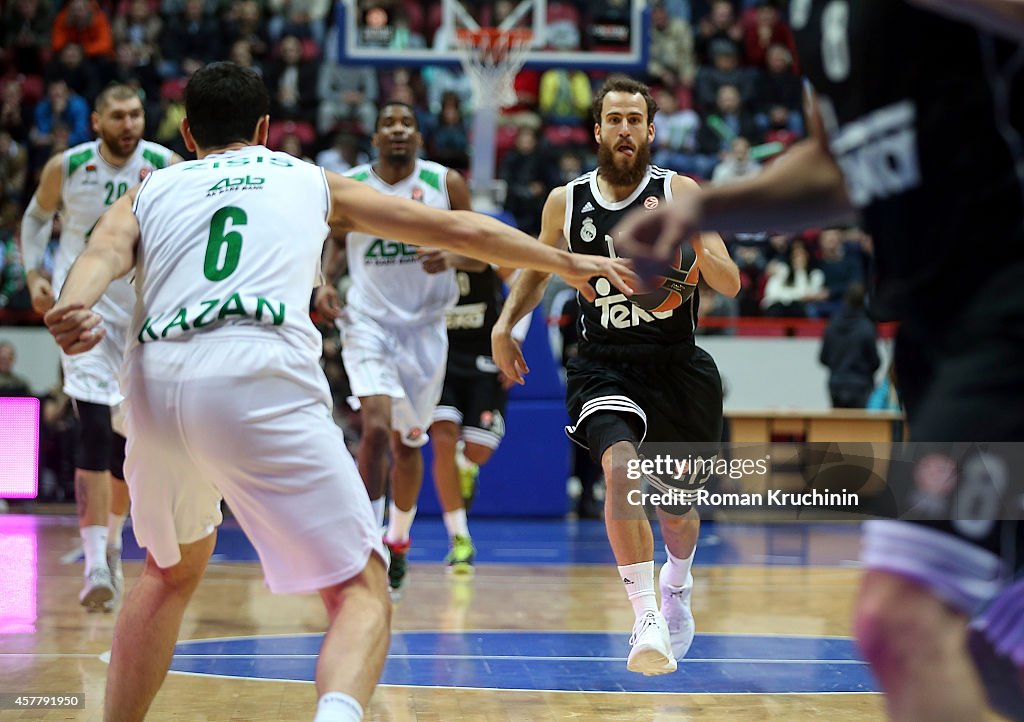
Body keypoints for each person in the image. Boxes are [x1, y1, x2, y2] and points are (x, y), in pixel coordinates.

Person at [43, 62, 634, 722]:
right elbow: (459, 229)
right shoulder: (306, 179)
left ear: (185, 134)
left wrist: (75, 304)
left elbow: (101, 250)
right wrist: (566, 261)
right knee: (360, 588)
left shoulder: (151, 189)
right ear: (266, 130)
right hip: (255, 368)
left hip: (156, 380)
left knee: (165, 573)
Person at [613, 3, 1024, 719]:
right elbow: (835, 167)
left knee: (902, 616)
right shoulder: (810, 16)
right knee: (996, 650)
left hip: (1007, 295)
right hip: (937, 321)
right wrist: (702, 210)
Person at [493, 76, 740, 676]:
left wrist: (699, 250)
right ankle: (645, 616)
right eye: (615, 120)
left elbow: (730, 283)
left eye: (636, 119)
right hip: (603, 363)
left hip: (676, 364)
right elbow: (537, 267)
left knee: (677, 512)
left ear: (651, 131)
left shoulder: (680, 190)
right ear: (598, 130)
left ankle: (677, 582)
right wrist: (505, 324)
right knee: (620, 468)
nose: (625, 129)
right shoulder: (565, 200)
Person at [314, 101, 487, 599]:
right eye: (387, 122)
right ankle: (368, 546)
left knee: (408, 445)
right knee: (373, 427)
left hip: (427, 330)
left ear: (418, 136)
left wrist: (452, 255)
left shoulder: (444, 183)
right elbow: (330, 240)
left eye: (405, 123)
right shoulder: (350, 184)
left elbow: (481, 252)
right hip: (368, 321)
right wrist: (323, 282)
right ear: (373, 135)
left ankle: (398, 539)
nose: (396, 130)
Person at [20, 83, 181, 612]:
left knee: (127, 442)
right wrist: (36, 273)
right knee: (90, 428)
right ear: (96, 121)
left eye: (136, 114)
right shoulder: (66, 167)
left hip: (142, 312)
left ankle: (112, 544)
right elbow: (36, 219)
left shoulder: (164, 164)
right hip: (83, 311)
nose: (129, 123)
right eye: (118, 116)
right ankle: (94, 562)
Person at [429, 265, 529, 573]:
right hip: (439, 358)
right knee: (442, 438)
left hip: (485, 358)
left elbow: (527, 283)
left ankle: (466, 465)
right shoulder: (423, 243)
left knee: (477, 450)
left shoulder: (484, 246)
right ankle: (460, 538)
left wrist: (513, 338)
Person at [819, 282, 880, 409]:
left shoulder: (831, 326)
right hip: (861, 385)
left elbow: (823, 358)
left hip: (836, 384)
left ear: (846, 299)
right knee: (860, 426)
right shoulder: (867, 328)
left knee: (838, 426)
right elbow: (875, 362)